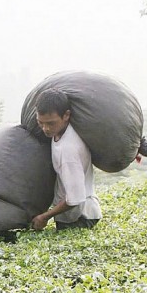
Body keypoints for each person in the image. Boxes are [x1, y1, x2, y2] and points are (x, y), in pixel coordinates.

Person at [31, 88, 102, 231]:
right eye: (40, 123)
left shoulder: (68, 150)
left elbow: (75, 198)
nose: (45, 129)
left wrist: (44, 217)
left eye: (50, 123)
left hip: (80, 217)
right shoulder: (59, 132)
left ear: (66, 115)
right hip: (75, 214)